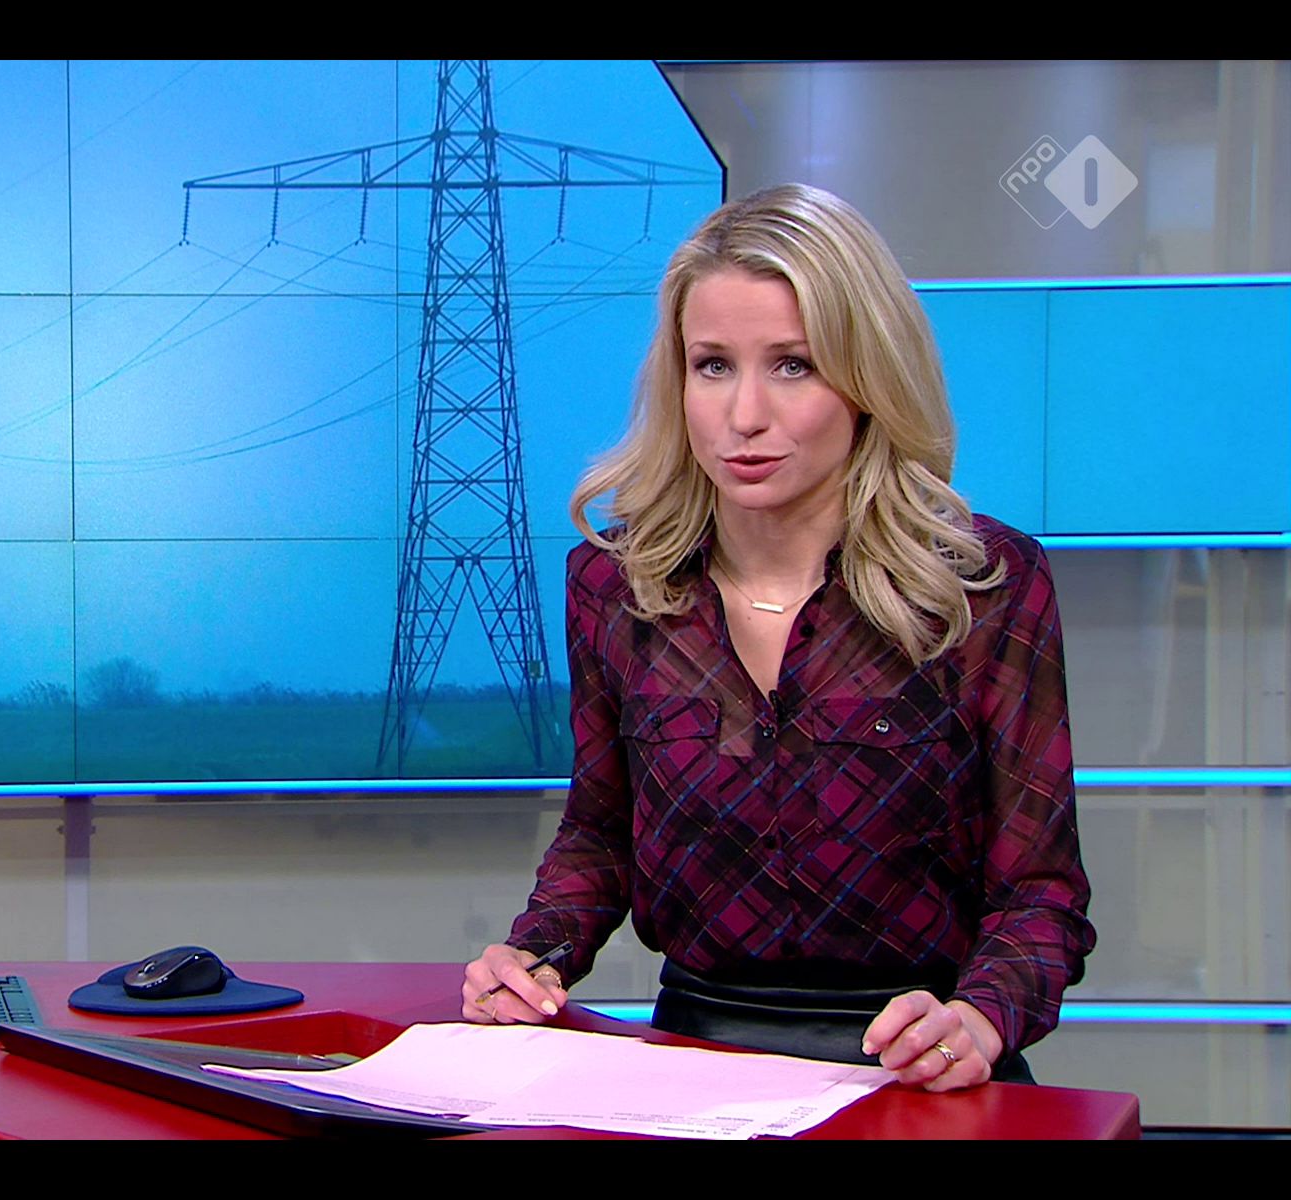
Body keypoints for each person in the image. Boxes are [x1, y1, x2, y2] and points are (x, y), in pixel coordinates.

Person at [460, 183, 1094, 1091]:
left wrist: (981, 1019)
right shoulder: (616, 587)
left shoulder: (983, 584)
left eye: (793, 366)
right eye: (713, 365)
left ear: (867, 378)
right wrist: (533, 957)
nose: (744, 415)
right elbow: (601, 836)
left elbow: (1041, 892)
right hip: (694, 1065)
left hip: (914, 1069)